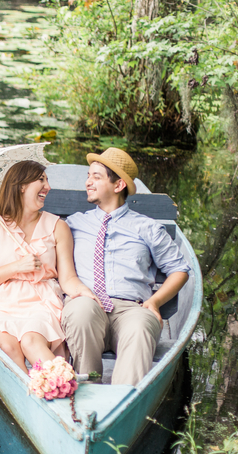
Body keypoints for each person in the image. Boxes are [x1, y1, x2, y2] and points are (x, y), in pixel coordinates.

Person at [62, 148, 190, 386]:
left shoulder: (147, 227)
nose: (88, 182)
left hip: (132, 309)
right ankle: (87, 390)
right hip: (88, 304)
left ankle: (122, 402)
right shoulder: (73, 224)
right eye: (88, 176)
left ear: (119, 185)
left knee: (142, 326)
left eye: (97, 177)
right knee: (80, 312)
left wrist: (154, 302)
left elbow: (179, 269)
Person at [0, 160, 96, 372]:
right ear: (21, 186)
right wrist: (16, 267)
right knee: (9, 348)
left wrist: (84, 293)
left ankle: (62, 385)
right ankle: (27, 392)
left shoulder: (58, 227)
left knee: (31, 342)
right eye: (41, 180)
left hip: (41, 300)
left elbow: (67, 278)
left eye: (47, 180)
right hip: (0, 302)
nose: (48, 186)